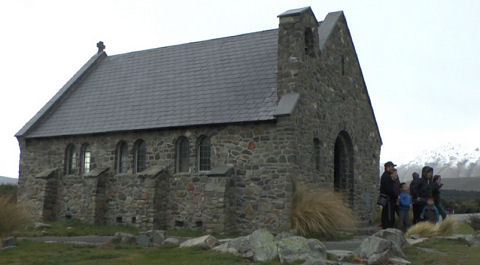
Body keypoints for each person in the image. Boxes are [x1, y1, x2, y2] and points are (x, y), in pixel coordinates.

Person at [380, 161, 397, 229]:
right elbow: (389, 190)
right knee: (388, 215)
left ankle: (385, 226)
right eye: (392, 167)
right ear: (388, 167)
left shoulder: (384, 176)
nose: (393, 168)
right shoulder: (387, 177)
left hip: (386, 199)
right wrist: (395, 196)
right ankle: (388, 228)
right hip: (389, 200)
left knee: (385, 213)